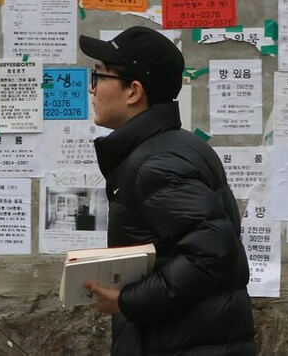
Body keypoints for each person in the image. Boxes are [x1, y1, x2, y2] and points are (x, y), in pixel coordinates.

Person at [78, 25, 256, 355]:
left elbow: (212, 255)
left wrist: (127, 300)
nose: (91, 90)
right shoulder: (171, 147)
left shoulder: (157, 163)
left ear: (133, 91)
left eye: (98, 77)